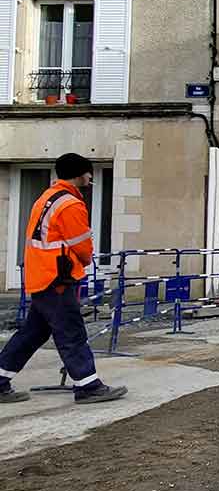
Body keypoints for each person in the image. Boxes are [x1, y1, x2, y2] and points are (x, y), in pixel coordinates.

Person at [0, 153, 127, 404]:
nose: (91, 178)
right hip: (58, 278)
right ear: (80, 174)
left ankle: (0, 378)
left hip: (42, 276)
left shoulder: (46, 198)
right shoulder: (71, 204)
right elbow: (81, 246)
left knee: (32, 333)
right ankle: (88, 385)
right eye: (89, 173)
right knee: (71, 331)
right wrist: (86, 260)